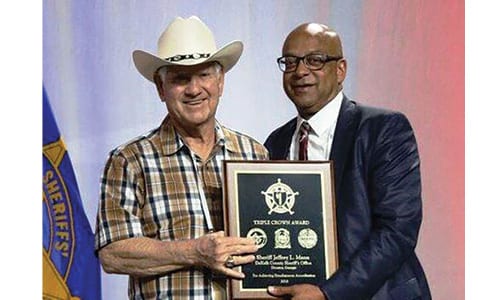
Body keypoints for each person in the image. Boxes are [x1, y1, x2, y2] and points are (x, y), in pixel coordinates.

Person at [94, 16, 268, 299]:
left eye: (204, 75)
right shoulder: (130, 160)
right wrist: (195, 252)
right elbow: (113, 254)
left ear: (220, 81)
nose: (194, 89)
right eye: (180, 78)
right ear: (160, 88)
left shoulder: (253, 153)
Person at [264, 22, 432, 300]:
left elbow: (397, 230)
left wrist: (328, 293)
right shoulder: (275, 142)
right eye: (290, 62)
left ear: (340, 69)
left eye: (315, 60)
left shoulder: (384, 129)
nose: (300, 71)